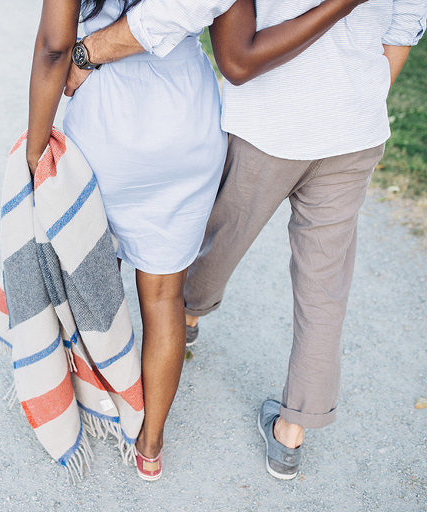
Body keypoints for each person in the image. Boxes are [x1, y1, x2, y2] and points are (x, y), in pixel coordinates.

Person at [64, 0, 427, 480]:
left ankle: (186, 316)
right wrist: (360, 98)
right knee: (324, 293)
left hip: (268, 121)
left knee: (215, 241)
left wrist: (88, 51)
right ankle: (290, 435)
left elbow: (213, 33)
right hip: (352, 128)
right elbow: (404, 24)